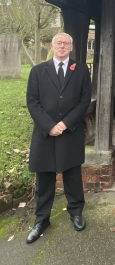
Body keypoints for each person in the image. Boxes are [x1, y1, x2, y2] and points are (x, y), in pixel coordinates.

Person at [26, 32, 92, 244]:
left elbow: (84, 101)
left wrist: (65, 123)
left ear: (72, 47)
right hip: (45, 132)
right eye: (59, 43)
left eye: (66, 43)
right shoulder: (37, 71)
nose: (62, 46)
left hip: (69, 131)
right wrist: (49, 125)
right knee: (44, 179)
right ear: (52, 46)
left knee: (72, 175)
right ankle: (41, 219)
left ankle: (76, 212)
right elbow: (32, 101)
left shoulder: (81, 70)